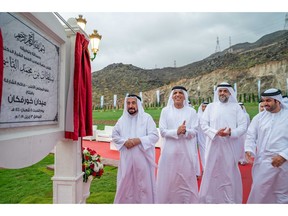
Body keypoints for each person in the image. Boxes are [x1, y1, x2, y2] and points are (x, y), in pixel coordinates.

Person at [198, 82, 248, 203]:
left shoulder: (236, 108)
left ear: (230, 93)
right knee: (212, 171)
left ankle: (229, 200)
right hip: (213, 145)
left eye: (225, 91)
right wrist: (215, 132)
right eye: (220, 91)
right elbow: (203, 125)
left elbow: (243, 126)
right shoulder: (210, 107)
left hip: (230, 146)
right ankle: (210, 200)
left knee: (228, 173)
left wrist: (231, 133)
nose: (222, 93)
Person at [112, 94, 159, 204]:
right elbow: (115, 136)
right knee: (126, 186)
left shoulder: (147, 118)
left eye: (133, 103)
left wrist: (138, 140)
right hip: (126, 161)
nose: (131, 105)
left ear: (138, 104)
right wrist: (125, 142)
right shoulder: (122, 120)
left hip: (143, 162)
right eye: (128, 103)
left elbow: (154, 136)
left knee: (144, 187)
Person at [156, 86, 199, 203]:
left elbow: (195, 131)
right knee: (169, 180)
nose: (178, 95)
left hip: (186, 153)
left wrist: (185, 131)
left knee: (186, 180)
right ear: (172, 96)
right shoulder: (165, 111)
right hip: (169, 153)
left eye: (180, 93)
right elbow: (163, 131)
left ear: (185, 96)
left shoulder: (192, 112)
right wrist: (176, 131)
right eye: (175, 93)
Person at [245, 88, 288, 203]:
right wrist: (249, 149)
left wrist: (284, 155)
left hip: (285, 162)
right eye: (263, 101)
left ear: (278, 101)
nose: (264, 104)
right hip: (264, 161)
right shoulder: (259, 118)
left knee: (282, 194)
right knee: (259, 191)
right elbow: (250, 135)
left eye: (268, 101)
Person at [197, 102, 209, 173]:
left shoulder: (211, 115)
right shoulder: (198, 115)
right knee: (202, 152)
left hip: (208, 137)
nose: (204, 108)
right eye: (203, 106)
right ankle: (205, 169)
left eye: (206, 107)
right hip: (201, 136)